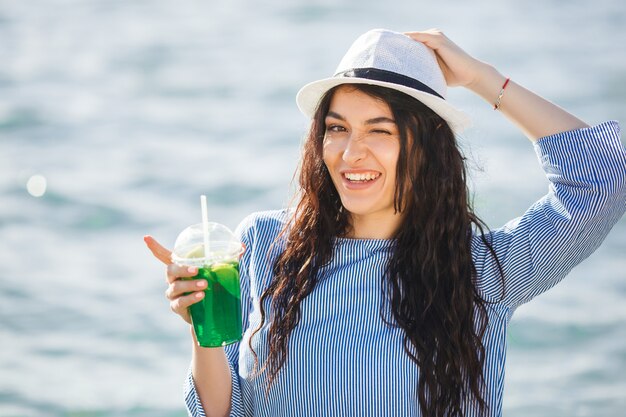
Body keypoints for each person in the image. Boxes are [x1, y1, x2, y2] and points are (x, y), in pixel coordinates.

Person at [144, 29, 626, 417]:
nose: (352, 153)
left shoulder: (483, 269)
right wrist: (202, 324)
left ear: (426, 145)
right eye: (337, 128)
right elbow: (224, 411)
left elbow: (604, 179)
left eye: (381, 130)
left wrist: (484, 80)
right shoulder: (267, 242)